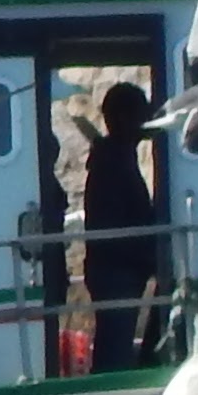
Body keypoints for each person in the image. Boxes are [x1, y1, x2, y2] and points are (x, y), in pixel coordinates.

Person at [77, 80, 167, 373]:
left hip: (117, 267)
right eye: (141, 115)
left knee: (115, 342)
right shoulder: (112, 163)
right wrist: (148, 255)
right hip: (115, 271)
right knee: (114, 350)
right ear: (124, 118)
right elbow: (114, 225)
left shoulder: (114, 157)